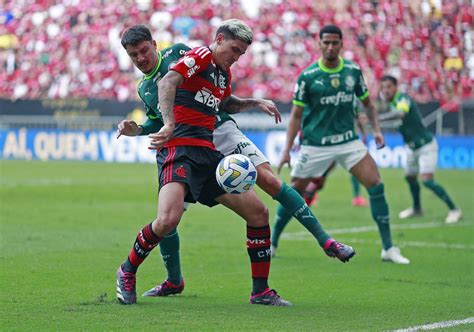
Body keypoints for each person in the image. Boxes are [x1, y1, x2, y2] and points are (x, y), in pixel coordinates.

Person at [117, 23, 354, 301]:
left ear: (154, 45)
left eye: (144, 51)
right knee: (168, 219)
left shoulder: (193, 58)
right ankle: (134, 271)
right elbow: (162, 103)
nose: (141, 58)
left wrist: (254, 102)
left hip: (208, 147)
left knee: (258, 211)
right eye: (134, 55)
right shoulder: (151, 84)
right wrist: (149, 128)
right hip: (178, 147)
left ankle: (261, 290)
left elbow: (223, 101)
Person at [272, 25, 410, 264]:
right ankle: (272, 242)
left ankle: (388, 248)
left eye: (335, 43)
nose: (330, 47)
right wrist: (287, 150)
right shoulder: (308, 76)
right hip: (315, 145)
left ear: (341, 44)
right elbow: (295, 115)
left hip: (347, 141)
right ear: (319, 43)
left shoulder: (353, 72)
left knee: (376, 185)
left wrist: (376, 130)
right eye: (326, 42)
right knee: (294, 192)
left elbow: (368, 104)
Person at [379, 75, 462, 224]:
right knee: (410, 177)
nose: (385, 90)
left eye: (389, 87)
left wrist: (378, 118)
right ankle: (417, 209)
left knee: (427, 181)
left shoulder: (402, 99)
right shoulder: (390, 102)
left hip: (425, 145)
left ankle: (454, 210)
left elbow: (401, 114)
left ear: (395, 87)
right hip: (411, 147)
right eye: (383, 87)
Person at [302, 109, 369, 208]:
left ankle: (357, 197)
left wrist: (363, 134)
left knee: (355, 167)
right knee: (326, 169)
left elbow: (359, 118)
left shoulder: (350, 100)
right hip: (333, 141)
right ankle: (311, 190)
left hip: (347, 140)